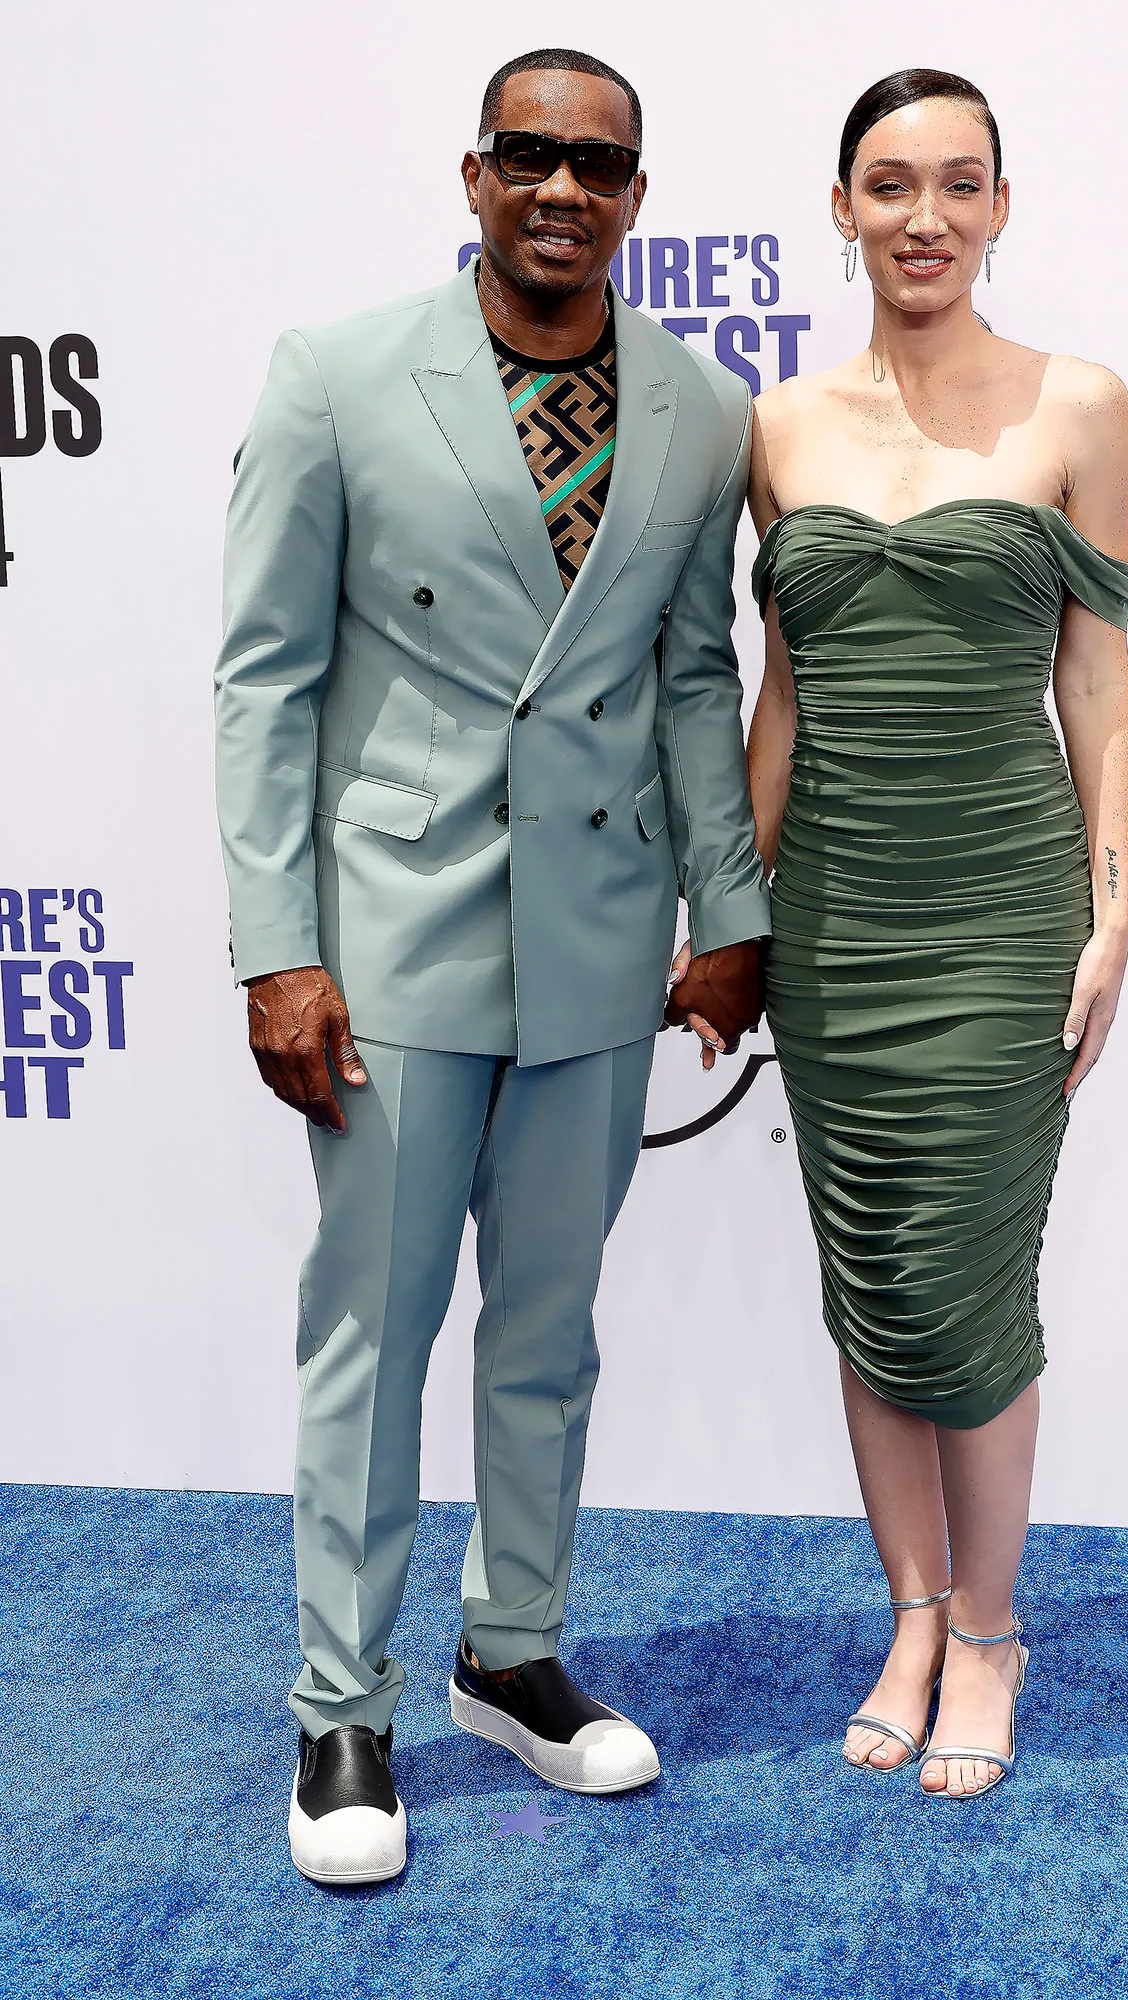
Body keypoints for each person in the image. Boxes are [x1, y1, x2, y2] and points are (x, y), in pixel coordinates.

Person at [214, 46, 768, 1884]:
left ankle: (508, 1652)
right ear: (474, 174)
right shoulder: (340, 375)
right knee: (371, 1343)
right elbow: (265, 679)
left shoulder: (702, 407)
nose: (561, 189)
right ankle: (341, 1706)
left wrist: (731, 913)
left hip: (598, 940)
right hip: (391, 940)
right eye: (528, 153)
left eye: (597, 165)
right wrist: (278, 950)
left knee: (548, 1332)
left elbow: (693, 680)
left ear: (636, 195)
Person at [744, 69, 1128, 1799]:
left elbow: (1096, 679)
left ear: (1000, 207)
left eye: (960, 184)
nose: (926, 217)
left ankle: (990, 1632)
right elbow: (781, 692)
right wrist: (735, 911)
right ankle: (910, 1613)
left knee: (967, 1284)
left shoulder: (1080, 406)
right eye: (891, 185)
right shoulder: (776, 427)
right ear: (842, 208)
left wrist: (1111, 913)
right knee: (869, 1276)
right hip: (832, 916)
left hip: (999, 908)